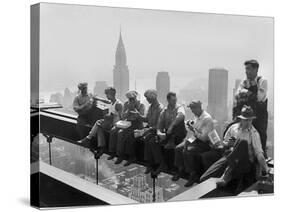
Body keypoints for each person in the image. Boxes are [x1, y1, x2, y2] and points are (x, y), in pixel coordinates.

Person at [200, 105, 268, 187]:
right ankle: (224, 171)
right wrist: (220, 145)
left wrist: (265, 169)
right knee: (203, 178)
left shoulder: (253, 134)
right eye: (246, 120)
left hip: (244, 161)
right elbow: (227, 143)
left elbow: (259, 154)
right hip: (230, 156)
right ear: (241, 119)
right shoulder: (233, 128)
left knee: (242, 142)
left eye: (250, 120)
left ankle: (225, 177)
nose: (248, 122)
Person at [172, 100, 215, 187]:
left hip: (204, 143)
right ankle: (180, 170)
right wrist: (188, 139)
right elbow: (194, 131)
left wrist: (193, 130)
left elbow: (204, 138)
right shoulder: (196, 116)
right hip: (194, 139)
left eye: (193, 109)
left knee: (187, 151)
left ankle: (193, 174)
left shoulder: (207, 119)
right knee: (178, 148)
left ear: (199, 108)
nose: (191, 111)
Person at [233, 60, 268, 157]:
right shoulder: (244, 81)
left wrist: (245, 93)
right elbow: (237, 95)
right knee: (235, 130)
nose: (246, 71)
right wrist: (249, 93)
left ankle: (262, 158)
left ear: (256, 69)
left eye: (248, 69)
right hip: (246, 114)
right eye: (246, 69)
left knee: (260, 134)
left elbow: (259, 97)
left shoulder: (262, 81)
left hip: (259, 115)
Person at [78, 87, 123, 157]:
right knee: (99, 126)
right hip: (109, 121)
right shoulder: (112, 101)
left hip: (114, 124)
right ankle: (101, 147)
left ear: (111, 94)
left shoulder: (118, 104)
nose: (106, 96)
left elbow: (121, 116)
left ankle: (88, 139)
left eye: (107, 94)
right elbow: (105, 101)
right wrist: (97, 98)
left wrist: (111, 116)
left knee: (98, 123)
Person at [126, 89, 164, 172]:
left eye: (148, 98)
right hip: (150, 130)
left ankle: (159, 164)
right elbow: (146, 119)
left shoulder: (160, 108)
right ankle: (147, 162)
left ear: (152, 97)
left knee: (151, 141)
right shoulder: (151, 107)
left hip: (157, 131)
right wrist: (138, 115)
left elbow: (160, 125)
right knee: (137, 136)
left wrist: (149, 129)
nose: (147, 100)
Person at [108, 91, 145, 165]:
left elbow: (141, 118)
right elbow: (122, 116)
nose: (131, 100)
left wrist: (134, 110)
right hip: (127, 123)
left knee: (123, 134)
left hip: (137, 125)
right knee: (114, 131)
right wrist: (128, 111)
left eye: (132, 99)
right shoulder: (126, 104)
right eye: (129, 99)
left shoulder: (141, 105)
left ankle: (127, 156)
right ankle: (114, 152)